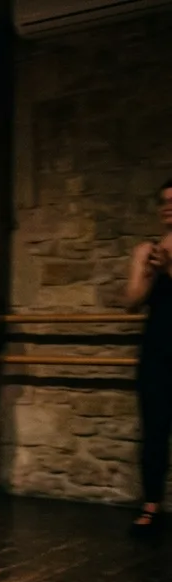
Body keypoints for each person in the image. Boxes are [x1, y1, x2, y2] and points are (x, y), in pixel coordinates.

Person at [127, 180, 172, 529]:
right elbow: (131, 301)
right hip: (158, 346)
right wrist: (148, 271)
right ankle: (151, 504)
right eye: (164, 201)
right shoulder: (148, 249)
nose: (168, 206)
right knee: (154, 429)